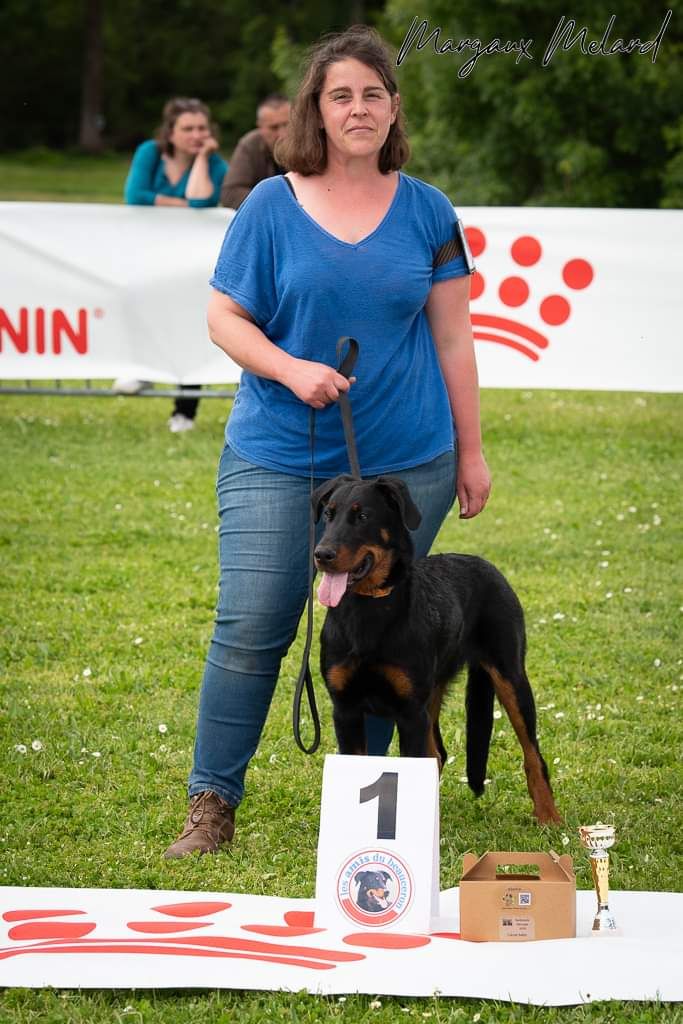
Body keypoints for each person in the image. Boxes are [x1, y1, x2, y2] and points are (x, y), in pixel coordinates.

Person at [164, 26, 491, 859]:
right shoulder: (271, 204)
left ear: (392, 109)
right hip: (279, 453)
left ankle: (367, 820)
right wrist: (289, 368)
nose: (357, 109)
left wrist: (471, 450)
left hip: (408, 461)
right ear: (316, 106)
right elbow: (222, 317)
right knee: (253, 626)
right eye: (340, 94)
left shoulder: (427, 210)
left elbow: (454, 338)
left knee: (387, 632)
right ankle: (212, 804)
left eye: (372, 94)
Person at [118, 97, 228, 432]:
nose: (196, 135)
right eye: (188, 129)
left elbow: (201, 199)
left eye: (202, 129)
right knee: (141, 309)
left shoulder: (216, 165)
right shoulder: (149, 153)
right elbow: (135, 194)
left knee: (190, 327)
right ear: (171, 131)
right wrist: (183, 206)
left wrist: (202, 159)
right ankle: (140, 369)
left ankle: (185, 409)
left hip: (192, 262)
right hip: (147, 254)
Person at [220, 94, 290, 209]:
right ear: (260, 127)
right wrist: (277, 203)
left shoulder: (310, 142)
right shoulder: (250, 144)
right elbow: (230, 193)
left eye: (287, 124)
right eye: (274, 127)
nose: (282, 134)